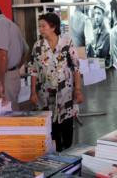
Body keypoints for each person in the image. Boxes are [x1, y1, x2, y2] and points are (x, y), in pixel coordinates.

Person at [28, 13, 84, 152]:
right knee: (51, 130)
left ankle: (69, 154)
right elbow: (33, 70)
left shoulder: (66, 43)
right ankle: (56, 157)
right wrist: (32, 92)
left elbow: (76, 67)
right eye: (39, 26)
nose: (40, 29)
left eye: (43, 26)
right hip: (45, 95)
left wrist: (78, 90)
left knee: (66, 126)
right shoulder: (38, 46)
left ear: (53, 27)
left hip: (65, 94)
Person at [87, 0, 111, 67]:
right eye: (95, 13)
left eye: (99, 13)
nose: (96, 17)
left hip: (104, 73)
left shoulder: (107, 35)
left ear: (103, 15)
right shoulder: (94, 33)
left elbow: (104, 61)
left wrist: (87, 65)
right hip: (94, 71)